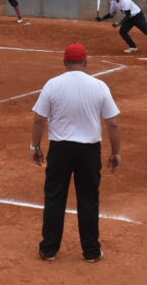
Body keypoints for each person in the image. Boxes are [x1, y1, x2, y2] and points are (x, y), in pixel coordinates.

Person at [31, 43, 121, 263]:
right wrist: (115, 152)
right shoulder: (99, 86)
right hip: (89, 151)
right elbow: (112, 123)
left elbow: (40, 119)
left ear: (65, 62)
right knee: (89, 198)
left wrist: (36, 147)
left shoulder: (53, 84)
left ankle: (49, 249)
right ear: (85, 62)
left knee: (54, 197)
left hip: (60, 149)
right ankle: (91, 251)